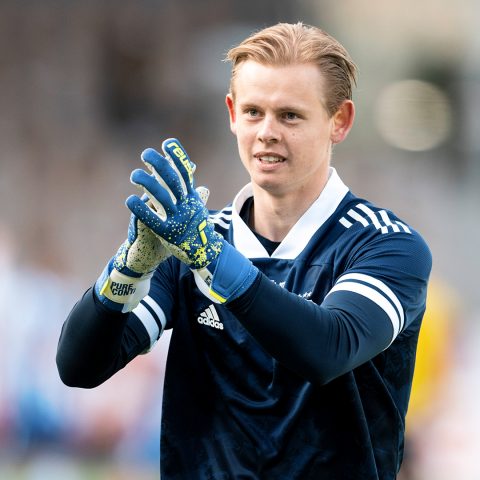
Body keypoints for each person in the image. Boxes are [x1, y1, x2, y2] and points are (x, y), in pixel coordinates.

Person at [56, 22, 432, 479]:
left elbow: (326, 350)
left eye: (290, 115)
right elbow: (80, 366)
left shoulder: (386, 244)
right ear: (232, 113)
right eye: (254, 112)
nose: (267, 132)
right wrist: (128, 271)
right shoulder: (194, 243)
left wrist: (210, 257)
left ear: (340, 121)